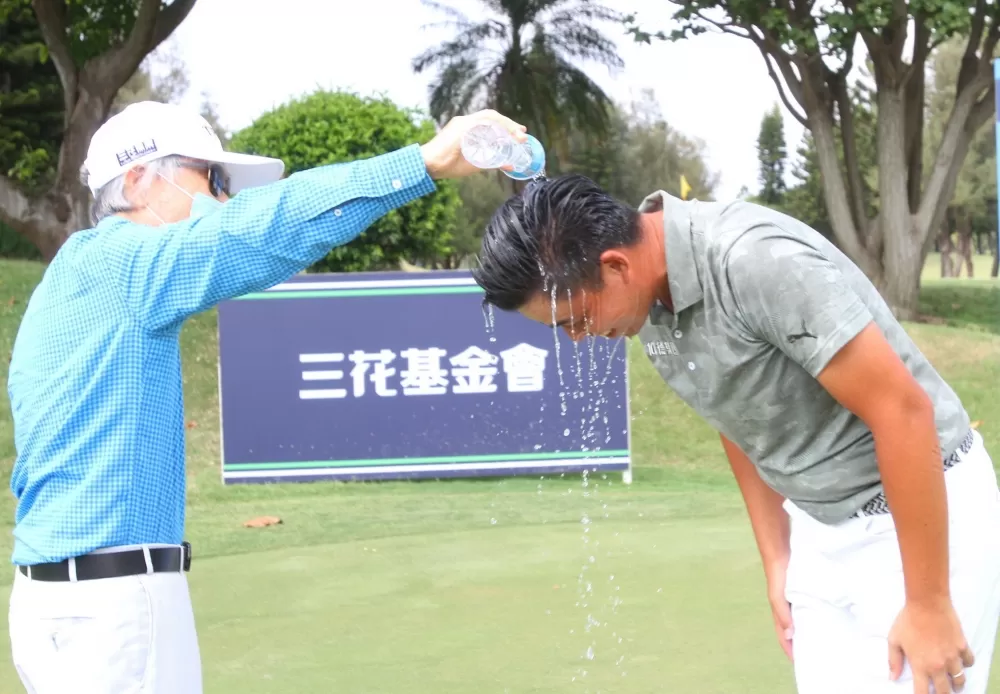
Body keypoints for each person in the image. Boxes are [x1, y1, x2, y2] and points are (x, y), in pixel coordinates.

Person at [5, 100, 527, 693]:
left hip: (51, 603)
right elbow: (262, 229)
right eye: (213, 180)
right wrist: (422, 163)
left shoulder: (70, 278)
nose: (222, 201)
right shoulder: (127, 264)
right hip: (115, 605)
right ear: (136, 179)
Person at [472, 174, 1000, 694]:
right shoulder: (646, 301)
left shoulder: (751, 260)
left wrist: (929, 601)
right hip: (821, 526)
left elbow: (903, 411)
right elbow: (737, 413)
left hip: (924, 519)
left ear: (615, 266)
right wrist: (777, 561)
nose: (577, 337)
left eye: (575, 318)